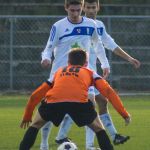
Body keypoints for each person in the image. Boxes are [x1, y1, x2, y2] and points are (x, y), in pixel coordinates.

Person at [54, 0, 141, 149]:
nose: (91, 10)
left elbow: (111, 44)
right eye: (88, 7)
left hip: (92, 73)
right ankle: (89, 145)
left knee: (101, 102)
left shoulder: (98, 26)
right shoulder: (74, 25)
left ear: (98, 8)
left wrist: (129, 58)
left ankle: (112, 136)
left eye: (93, 7)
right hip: (80, 74)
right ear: (83, 8)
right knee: (89, 106)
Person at [19, 48, 131, 150]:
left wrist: (27, 116)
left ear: (68, 62)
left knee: (35, 125)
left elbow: (35, 95)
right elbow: (109, 93)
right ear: (86, 63)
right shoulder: (90, 72)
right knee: (99, 129)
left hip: (54, 102)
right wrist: (124, 114)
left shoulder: (58, 72)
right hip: (79, 103)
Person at [40, 0, 111, 149]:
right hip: (59, 74)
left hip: (82, 75)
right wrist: (45, 58)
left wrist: (105, 64)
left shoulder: (91, 25)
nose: (75, 13)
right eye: (72, 10)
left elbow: (98, 46)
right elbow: (48, 47)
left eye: (78, 10)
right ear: (66, 8)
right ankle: (44, 143)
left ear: (82, 8)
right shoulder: (58, 26)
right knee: (47, 110)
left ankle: (90, 145)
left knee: (91, 105)